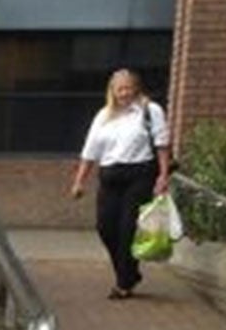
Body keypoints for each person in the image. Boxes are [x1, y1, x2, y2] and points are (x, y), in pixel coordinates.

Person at [68, 67, 172, 300]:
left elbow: (162, 144)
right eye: (119, 89)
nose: (124, 93)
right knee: (105, 228)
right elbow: (90, 151)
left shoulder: (150, 110)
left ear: (136, 88)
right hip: (110, 176)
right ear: (112, 91)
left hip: (139, 175)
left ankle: (123, 283)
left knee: (127, 231)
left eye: (128, 88)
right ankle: (130, 273)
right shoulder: (103, 115)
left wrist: (163, 176)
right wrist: (79, 182)